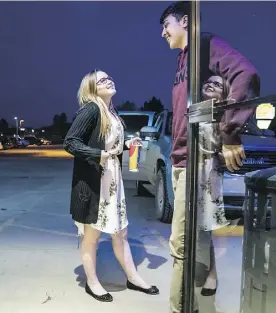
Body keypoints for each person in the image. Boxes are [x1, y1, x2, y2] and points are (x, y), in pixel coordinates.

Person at [159, 2, 260, 312]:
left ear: (185, 21)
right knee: (196, 239)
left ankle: (178, 309)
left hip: (196, 162)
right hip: (179, 161)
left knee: (180, 246)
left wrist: (230, 131)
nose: (163, 33)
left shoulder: (207, 46)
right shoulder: (183, 61)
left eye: (167, 26)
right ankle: (203, 295)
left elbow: (246, 75)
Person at [64, 69, 159, 302]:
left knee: (121, 233)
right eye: (102, 80)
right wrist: (99, 154)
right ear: (92, 88)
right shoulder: (91, 109)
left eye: (109, 77)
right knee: (92, 237)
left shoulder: (111, 112)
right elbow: (70, 142)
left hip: (112, 183)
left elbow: (109, 144)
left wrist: (127, 144)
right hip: (94, 184)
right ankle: (92, 283)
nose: (109, 81)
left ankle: (133, 278)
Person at [198, 74, 230, 296]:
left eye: (217, 84)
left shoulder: (228, 115)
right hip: (192, 171)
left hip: (213, 174)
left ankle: (213, 274)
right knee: (191, 226)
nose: (210, 85)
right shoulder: (197, 110)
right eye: (208, 82)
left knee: (214, 228)